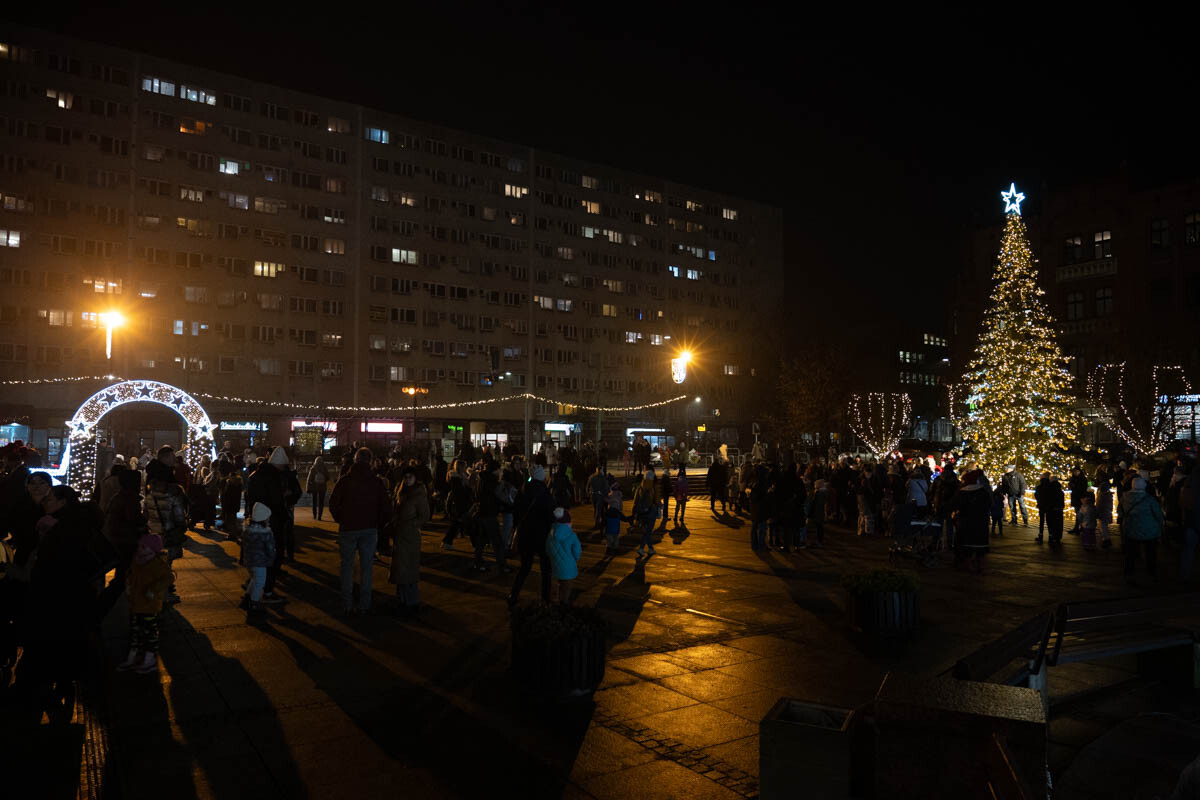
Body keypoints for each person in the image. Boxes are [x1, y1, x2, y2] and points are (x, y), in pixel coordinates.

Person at [328, 447, 391, 617]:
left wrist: (341, 519)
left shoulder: (345, 480)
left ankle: (347, 603)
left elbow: (333, 504)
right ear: (370, 461)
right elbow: (385, 507)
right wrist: (377, 522)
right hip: (369, 528)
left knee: (347, 567)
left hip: (348, 528)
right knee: (366, 568)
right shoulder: (376, 482)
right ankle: (365, 603)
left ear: (355, 460)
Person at [118, 532, 172, 674]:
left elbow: (168, 578)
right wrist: (128, 583)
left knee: (149, 633)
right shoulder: (137, 561)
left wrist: (153, 590)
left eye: (144, 547)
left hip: (149, 605)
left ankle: (149, 659)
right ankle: (135, 657)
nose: (140, 549)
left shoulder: (157, 564)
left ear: (153, 550)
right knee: (136, 632)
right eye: (140, 546)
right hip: (135, 604)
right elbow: (131, 575)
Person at [509, 464, 555, 606]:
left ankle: (513, 596)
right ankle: (545, 598)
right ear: (541, 477)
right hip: (542, 536)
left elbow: (516, 514)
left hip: (525, 535)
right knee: (546, 570)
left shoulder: (522, 491)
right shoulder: (545, 494)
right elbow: (550, 517)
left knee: (524, 568)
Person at [144, 458, 187, 605]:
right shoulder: (174, 493)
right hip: (169, 533)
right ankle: (164, 594)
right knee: (167, 566)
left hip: (153, 535)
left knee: (156, 565)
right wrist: (182, 527)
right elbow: (180, 516)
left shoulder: (150, 492)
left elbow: (146, 514)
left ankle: (155, 593)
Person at [390, 467, 431, 616]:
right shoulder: (401, 492)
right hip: (400, 535)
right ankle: (402, 599)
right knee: (401, 568)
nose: (407, 479)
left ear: (416, 478)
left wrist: (410, 524)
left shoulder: (418, 495)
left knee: (408, 569)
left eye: (410, 477)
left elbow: (425, 515)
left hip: (410, 536)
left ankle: (412, 601)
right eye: (405, 477)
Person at [1120, 477, 1164, 584]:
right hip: (1149, 530)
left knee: (1130, 554)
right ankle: (1151, 573)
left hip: (1131, 528)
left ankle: (1129, 574)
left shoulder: (1124, 497)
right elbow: (1158, 514)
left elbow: (1120, 512)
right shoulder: (1150, 499)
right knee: (1150, 553)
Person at [239, 502, 275, 616]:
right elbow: (270, 548)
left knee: (254, 580)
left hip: (249, 561)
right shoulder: (266, 533)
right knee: (259, 582)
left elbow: (243, 545)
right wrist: (271, 558)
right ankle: (254, 604)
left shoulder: (247, 531)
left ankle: (246, 599)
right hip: (260, 562)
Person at [952, 469, 991, 573]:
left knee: (967, 545)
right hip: (981, 522)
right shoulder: (983, 492)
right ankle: (980, 565)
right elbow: (989, 504)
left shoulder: (962, 493)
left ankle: (967, 564)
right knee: (980, 547)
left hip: (966, 522)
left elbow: (956, 505)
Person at [546, 507, 581, 604]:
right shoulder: (572, 534)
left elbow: (547, 549)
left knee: (556, 588)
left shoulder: (551, 534)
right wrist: (575, 559)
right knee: (566, 591)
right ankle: (564, 606)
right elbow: (577, 551)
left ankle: (555, 606)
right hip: (569, 568)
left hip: (555, 566)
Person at [633, 471, 659, 557]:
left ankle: (651, 548)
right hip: (651, 512)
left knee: (646, 531)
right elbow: (657, 500)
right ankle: (642, 548)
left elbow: (635, 502)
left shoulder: (640, 488)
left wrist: (635, 514)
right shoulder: (652, 488)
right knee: (648, 532)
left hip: (641, 513)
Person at [1035, 473, 1065, 545]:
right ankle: (1050, 536)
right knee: (1049, 522)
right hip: (1049, 507)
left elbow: (1036, 495)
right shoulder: (1051, 487)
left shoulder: (1039, 487)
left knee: (1041, 521)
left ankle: (1041, 535)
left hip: (1042, 506)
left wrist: (1039, 502)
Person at [604, 474, 623, 553]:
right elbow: (620, 506)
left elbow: (608, 500)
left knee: (609, 532)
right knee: (616, 533)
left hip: (611, 514)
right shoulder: (619, 496)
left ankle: (609, 546)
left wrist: (603, 497)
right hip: (617, 515)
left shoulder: (612, 495)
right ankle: (615, 547)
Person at [806, 479, 828, 548]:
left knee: (815, 528)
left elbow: (814, 503)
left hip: (816, 512)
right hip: (820, 512)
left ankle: (816, 541)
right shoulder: (824, 492)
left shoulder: (818, 493)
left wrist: (810, 513)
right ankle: (819, 541)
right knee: (819, 527)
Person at [307, 456, 329, 521]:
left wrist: (308, 488)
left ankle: (314, 515)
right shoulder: (324, 468)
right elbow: (328, 477)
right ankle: (320, 516)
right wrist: (323, 480)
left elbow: (309, 479)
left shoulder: (313, 468)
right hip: (322, 487)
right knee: (321, 502)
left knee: (314, 501)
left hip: (314, 487)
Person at [587, 465, 609, 531]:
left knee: (595, 509)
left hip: (593, 494)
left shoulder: (591, 477)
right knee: (598, 509)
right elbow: (606, 487)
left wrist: (588, 492)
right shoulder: (602, 478)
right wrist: (606, 494)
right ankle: (597, 523)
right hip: (599, 495)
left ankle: (596, 521)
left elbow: (588, 485)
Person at [1067, 467, 1088, 533]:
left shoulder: (1083, 479)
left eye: (1077, 471)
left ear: (1079, 471)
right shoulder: (1073, 479)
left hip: (1081, 498)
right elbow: (1070, 486)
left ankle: (1081, 527)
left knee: (1081, 514)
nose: (1075, 472)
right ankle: (1077, 527)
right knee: (1078, 513)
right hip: (1075, 498)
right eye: (1074, 471)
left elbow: (1083, 488)